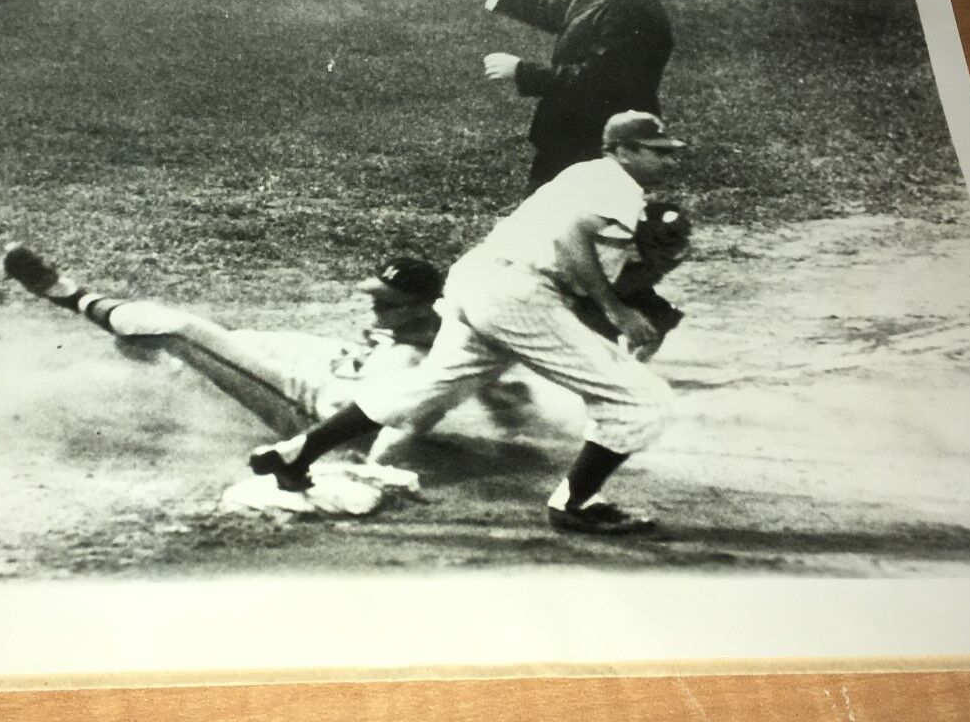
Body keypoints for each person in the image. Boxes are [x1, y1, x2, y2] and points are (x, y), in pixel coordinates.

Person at [248, 110, 689, 536]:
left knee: (428, 386)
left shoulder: (583, 174)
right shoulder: (618, 184)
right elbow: (571, 238)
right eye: (657, 151)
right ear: (622, 151)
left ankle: (293, 455)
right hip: (518, 293)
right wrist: (616, 310)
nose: (668, 161)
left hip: (479, 279)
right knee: (643, 400)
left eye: (669, 152)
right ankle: (577, 504)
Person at [1, 245, 490, 463]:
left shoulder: (417, 363)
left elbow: (390, 419)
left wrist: (365, 464)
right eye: (374, 295)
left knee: (183, 329)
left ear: (419, 309)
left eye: (386, 303)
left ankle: (64, 292)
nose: (372, 305)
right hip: (328, 370)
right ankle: (171, 368)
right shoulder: (436, 327)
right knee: (242, 338)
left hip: (306, 411)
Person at [458, 0, 674, 191]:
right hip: (577, 138)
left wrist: (521, 70)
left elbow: (596, 80)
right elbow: (553, 13)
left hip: (602, 147)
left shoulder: (632, 7)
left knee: (563, 220)